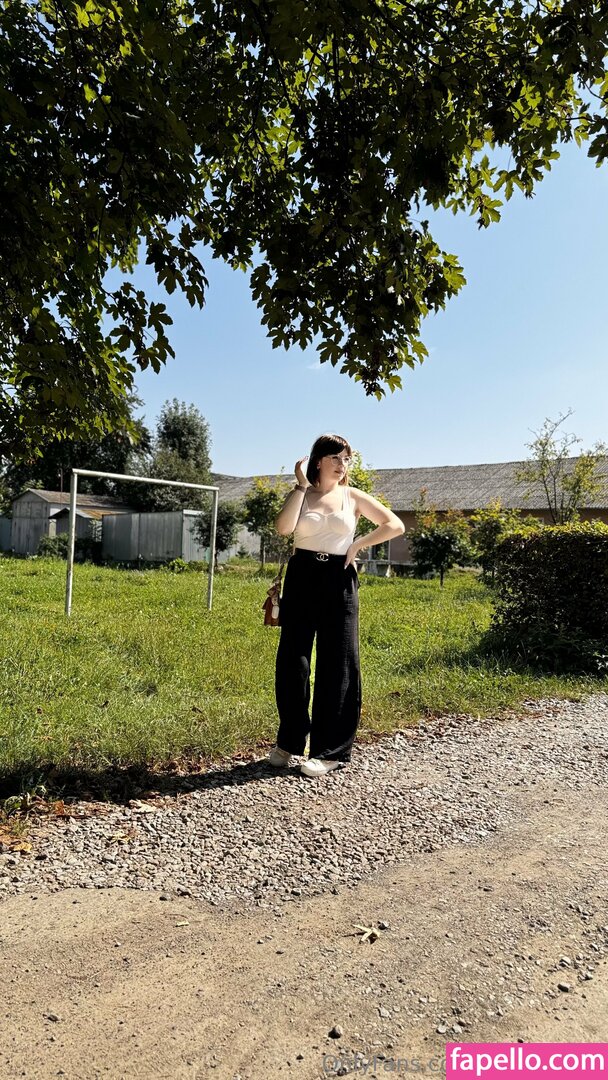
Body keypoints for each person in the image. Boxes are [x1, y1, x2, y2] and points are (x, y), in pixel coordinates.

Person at [266, 433, 405, 778]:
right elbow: (283, 528)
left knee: (338, 663)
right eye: (336, 458)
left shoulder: (352, 496)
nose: (343, 465)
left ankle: (329, 750)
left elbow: (395, 525)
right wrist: (300, 486)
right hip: (302, 575)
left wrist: (357, 545)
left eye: (347, 459)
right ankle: (289, 741)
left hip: (339, 577)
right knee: (293, 661)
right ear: (318, 460)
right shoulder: (303, 494)